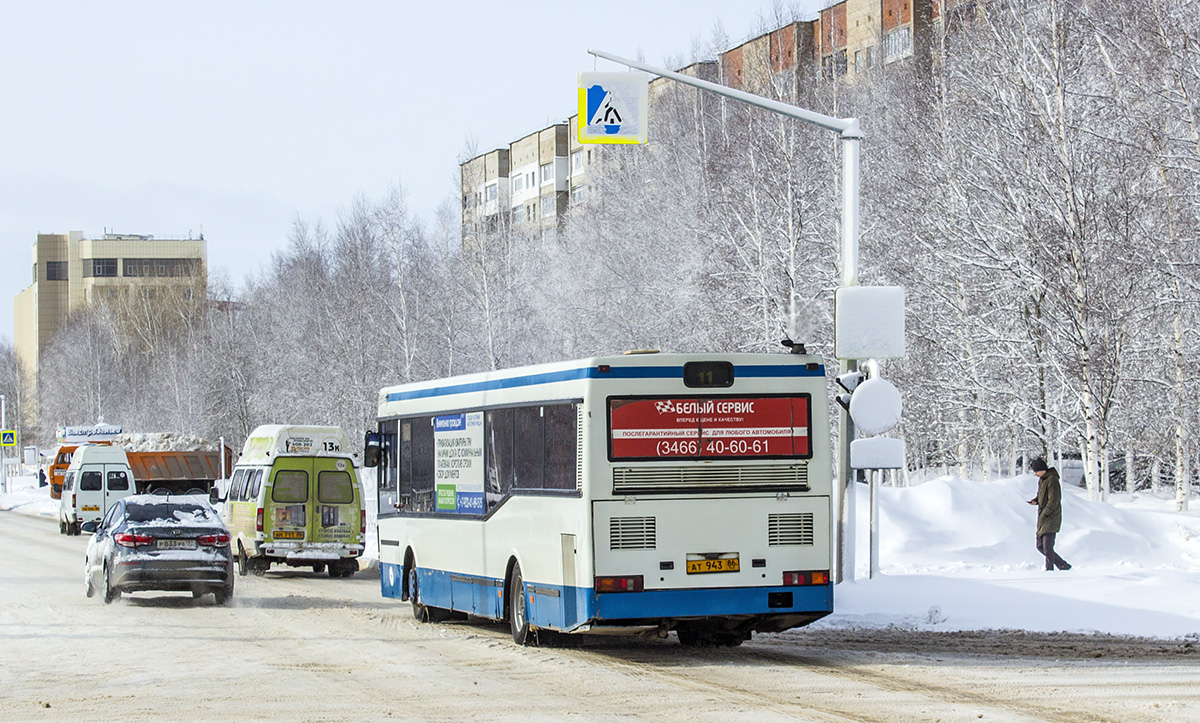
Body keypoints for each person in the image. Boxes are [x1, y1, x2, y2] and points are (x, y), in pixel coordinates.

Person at [1027, 457, 1071, 571]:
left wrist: (1046, 512)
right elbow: (1041, 495)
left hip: (1051, 517)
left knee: (1047, 548)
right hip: (1043, 516)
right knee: (1040, 546)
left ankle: (1050, 570)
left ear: (1042, 469)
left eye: (1036, 471)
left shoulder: (1052, 479)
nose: (1035, 473)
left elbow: (1054, 500)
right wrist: (1036, 500)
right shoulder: (1042, 479)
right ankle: (1063, 565)